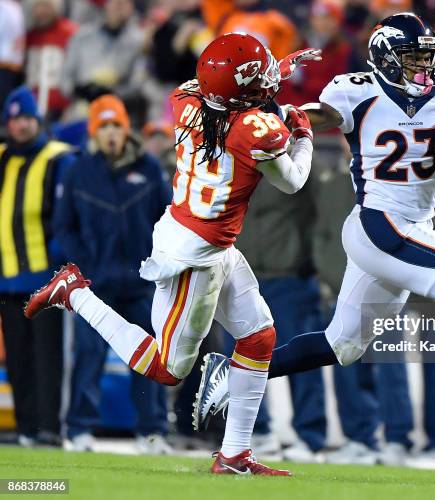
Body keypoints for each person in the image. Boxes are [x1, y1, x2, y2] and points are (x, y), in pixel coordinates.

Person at [197, 12, 435, 449]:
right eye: (412, 59)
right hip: (380, 225)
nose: (424, 68)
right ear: (386, 59)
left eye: (428, 57)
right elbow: (316, 115)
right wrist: (276, 109)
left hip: (410, 227)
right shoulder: (356, 91)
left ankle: (233, 370)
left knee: (343, 344)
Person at [25, 32, 321, 476]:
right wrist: (303, 134)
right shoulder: (255, 131)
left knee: (258, 336)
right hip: (195, 256)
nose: (265, 87)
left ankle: (235, 453)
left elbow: (225, 91)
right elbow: (293, 179)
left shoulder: (185, 101)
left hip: (203, 236)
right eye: (256, 83)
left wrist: (266, 78)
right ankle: (73, 293)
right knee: (167, 369)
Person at [54, 94, 172, 454]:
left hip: (140, 284)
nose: (109, 133)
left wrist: (157, 266)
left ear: (126, 129)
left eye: (115, 125)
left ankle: (152, 431)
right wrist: (85, 267)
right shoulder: (77, 171)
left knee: (152, 358)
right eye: (102, 126)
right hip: (96, 284)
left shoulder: (150, 168)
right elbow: (64, 228)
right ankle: (78, 430)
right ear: (93, 131)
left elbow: (168, 221)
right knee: (87, 355)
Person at [0, 86, 76, 446]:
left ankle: (50, 426)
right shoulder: (2, 159)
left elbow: (66, 217)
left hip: (47, 280)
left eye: (27, 118)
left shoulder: (59, 158)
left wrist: (61, 265)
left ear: (38, 120)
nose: (21, 126)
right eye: (14, 120)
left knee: (49, 357)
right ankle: (27, 426)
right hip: (8, 277)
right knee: (18, 358)